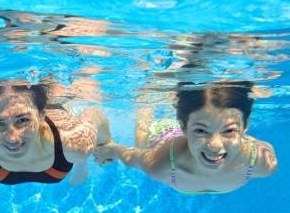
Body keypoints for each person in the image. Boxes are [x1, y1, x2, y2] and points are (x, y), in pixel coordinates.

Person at [95, 81, 278, 194]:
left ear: (245, 127)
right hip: (165, 136)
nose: (215, 145)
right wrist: (112, 148)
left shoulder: (263, 163)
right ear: (184, 127)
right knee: (142, 144)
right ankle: (148, 97)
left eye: (229, 131)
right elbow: (132, 157)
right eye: (201, 131)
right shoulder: (161, 164)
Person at [0, 81, 111, 185]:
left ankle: (80, 163)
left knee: (79, 154)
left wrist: (106, 143)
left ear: (41, 115)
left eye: (23, 120)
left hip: (56, 115)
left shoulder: (73, 142)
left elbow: (93, 113)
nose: (12, 138)